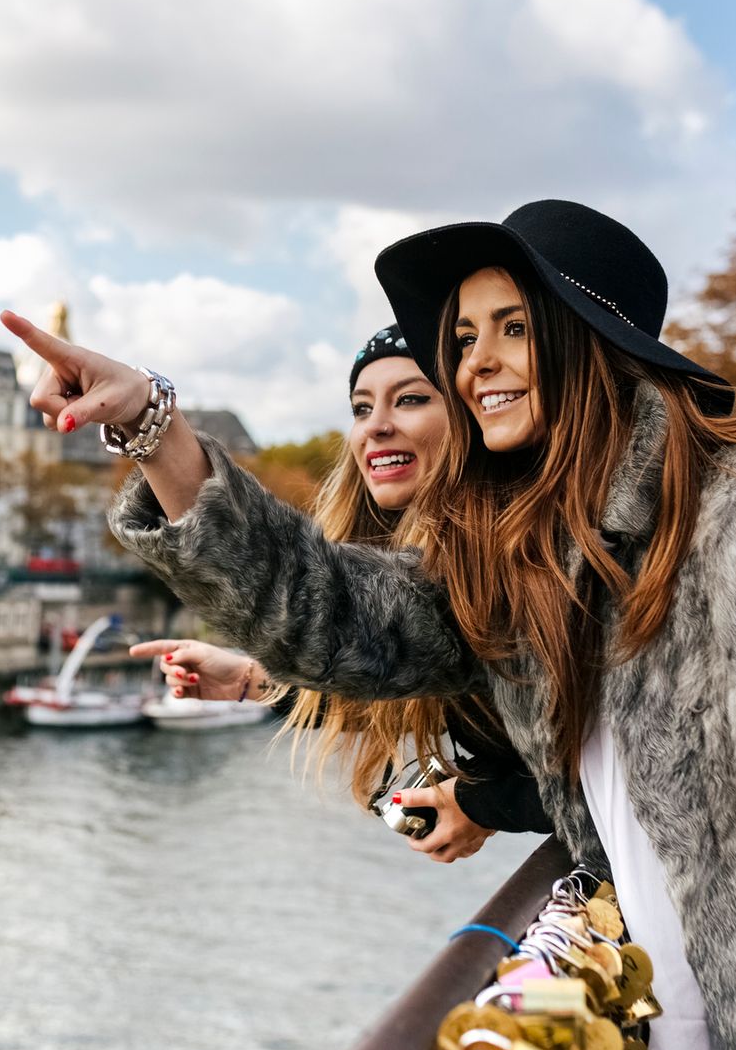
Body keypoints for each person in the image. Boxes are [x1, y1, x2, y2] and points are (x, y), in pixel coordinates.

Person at [0, 199, 736, 1050]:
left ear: (595, 341)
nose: (472, 360)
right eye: (463, 334)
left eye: (513, 327)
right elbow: (328, 614)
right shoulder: (520, 560)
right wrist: (156, 429)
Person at [130, 325, 548, 861]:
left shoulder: (522, 558)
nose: (375, 427)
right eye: (360, 408)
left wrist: (485, 803)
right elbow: (388, 667)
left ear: (475, 416)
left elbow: (618, 763)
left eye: (412, 399)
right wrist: (249, 678)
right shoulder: (450, 562)